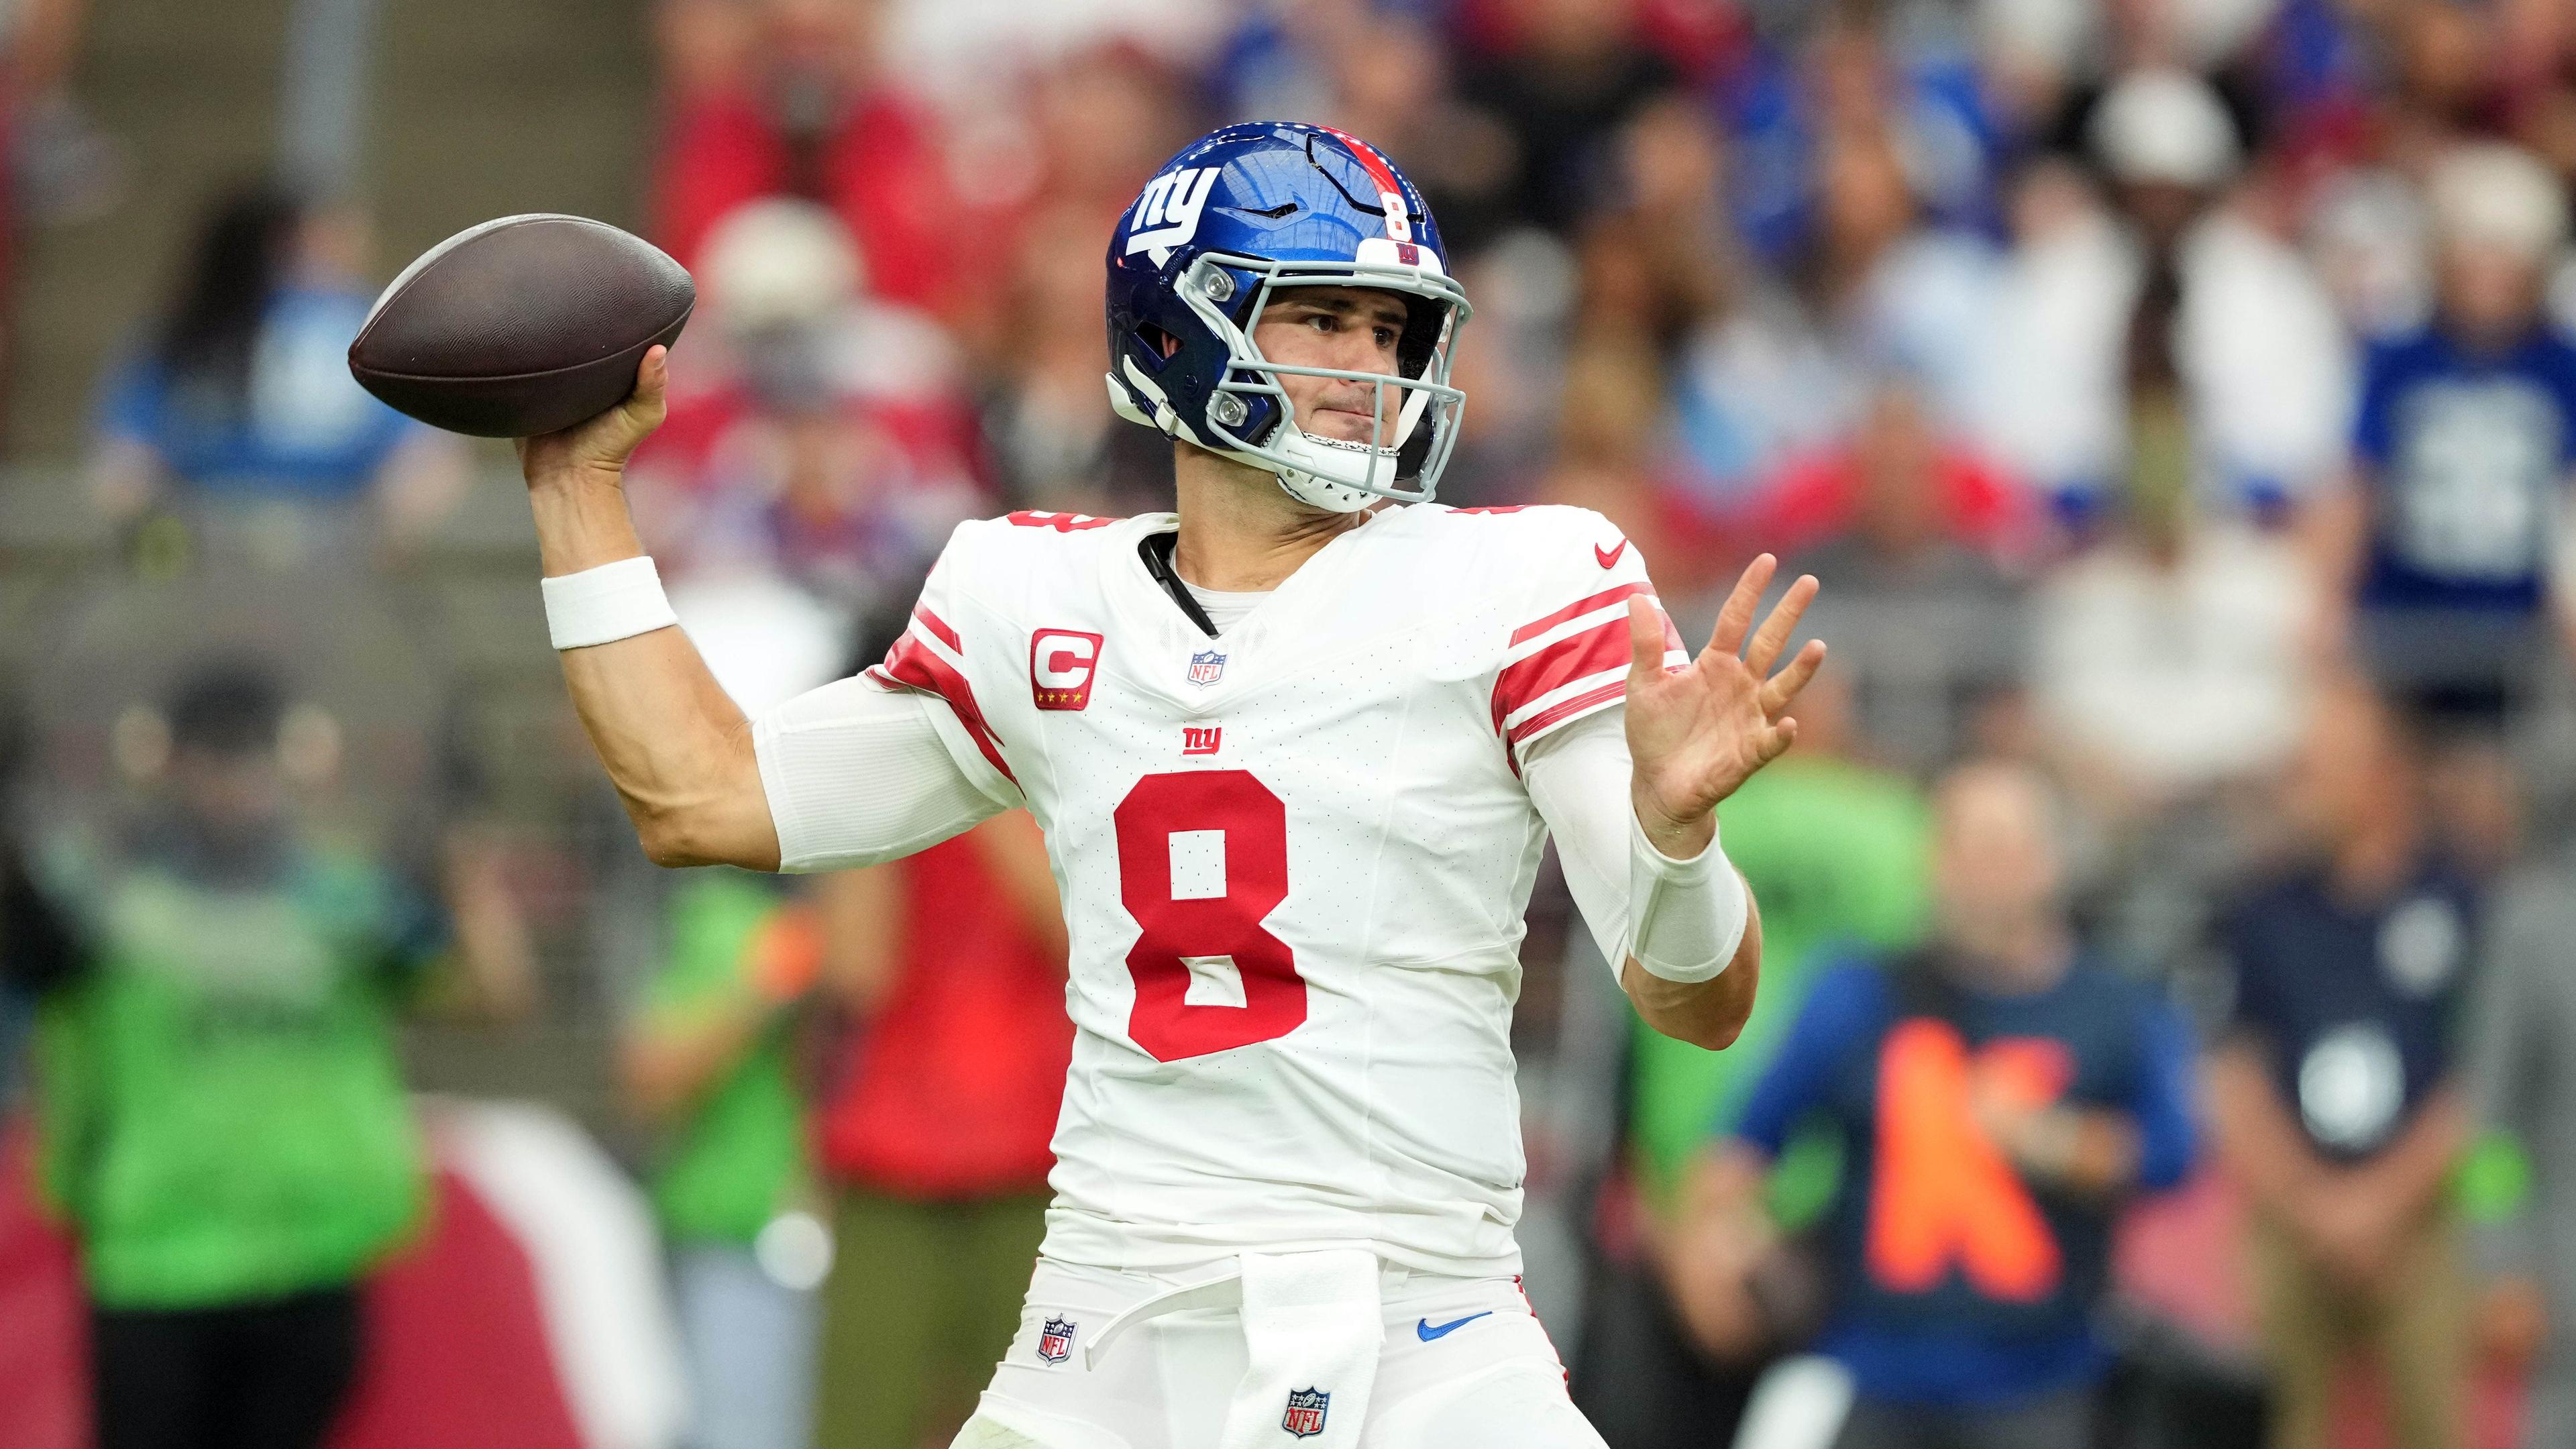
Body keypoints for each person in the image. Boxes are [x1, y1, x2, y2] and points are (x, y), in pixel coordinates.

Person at [511, 120, 1826, 1446]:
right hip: (1110, 1336)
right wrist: (579, 487)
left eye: (1393, 332)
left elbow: (1696, 999)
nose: (1370, 367)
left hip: (1419, 1329)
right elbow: (705, 798)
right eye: (1322, 320)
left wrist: (1675, 839)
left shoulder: (1523, 581)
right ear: (1177, 329)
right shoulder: (1029, 599)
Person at [8, 661, 535, 1449]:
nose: (234, 783)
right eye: (215, 757)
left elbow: (490, 1000)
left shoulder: (342, 901)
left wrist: (467, 874)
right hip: (156, 1262)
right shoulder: (102, 902)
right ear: (172, 766)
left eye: (251, 755)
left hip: (313, 1258)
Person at [1666, 760, 2197, 1449]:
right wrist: (1714, 1241)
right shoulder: (1861, 992)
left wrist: (2060, 1145)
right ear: (1934, 862)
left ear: (2050, 862)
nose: (1985, 873)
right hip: (1869, 1372)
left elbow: (2174, 1156)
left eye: (2004, 849)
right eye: (1965, 848)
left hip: (2043, 1378)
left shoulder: (2115, 1007)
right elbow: (1743, 1143)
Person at [2204, 684, 2479, 1449]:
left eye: (2320, 769)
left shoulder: (2462, 901)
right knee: (2283, 1423)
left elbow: (2483, 1072)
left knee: (2436, 1424)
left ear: (2385, 775)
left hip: (2427, 1218)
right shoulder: (2263, 907)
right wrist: (2315, 1204)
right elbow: (2234, 1071)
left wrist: (2384, 1201)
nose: (2302, 789)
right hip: (2291, 1221)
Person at [807, 812, 1071, 1449]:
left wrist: (979, 778)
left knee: (1036, 1424)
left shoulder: (1057, 774)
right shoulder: (897, 783)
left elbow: (1084, 941)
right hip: (892, 1158)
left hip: (1037, 1165)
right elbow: (856, 971)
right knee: (865, 1420)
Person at [2308, 142, 2576, 727]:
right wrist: (2327, 602)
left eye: (2507, 255)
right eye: (2473, 253)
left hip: (2525, 635)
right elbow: (2359, 482)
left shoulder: (2562, 367)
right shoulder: (2399, 359)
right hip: (2406, 621)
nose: (2488, 276)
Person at [87, 182, 466, 542]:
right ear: (290, 241)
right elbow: (427, 463)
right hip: (248, 542)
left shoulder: (183, 328)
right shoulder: (370, 330)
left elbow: (123, 464)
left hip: (266, 541)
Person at [621, 869, 826, 1449]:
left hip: (856, 1232)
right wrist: (769, 983)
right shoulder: (724, 919)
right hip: (735, 1239)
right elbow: (649, 1078)